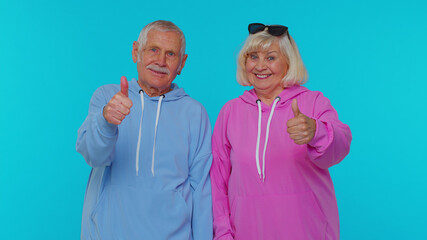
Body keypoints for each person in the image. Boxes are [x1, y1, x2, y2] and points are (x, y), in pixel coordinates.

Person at [210, 23, 352, 240]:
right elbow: (217, 181)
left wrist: (316, 131)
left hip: (307, 231)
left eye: (270, 58)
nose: (260, 66)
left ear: (288, 62)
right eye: (253, 57)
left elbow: (341, 144)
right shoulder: (231, 111)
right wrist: (222, 233)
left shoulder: (312, 102)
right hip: (246, 231)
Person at [76, 20, 213, 240]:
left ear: (182, 63)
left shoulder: (194, 113)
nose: (160, 61)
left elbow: (202, 191)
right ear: (136, 51)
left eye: (170, 54)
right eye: (153, 50)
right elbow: (93, 156)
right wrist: (106, 121)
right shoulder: (108, 98)